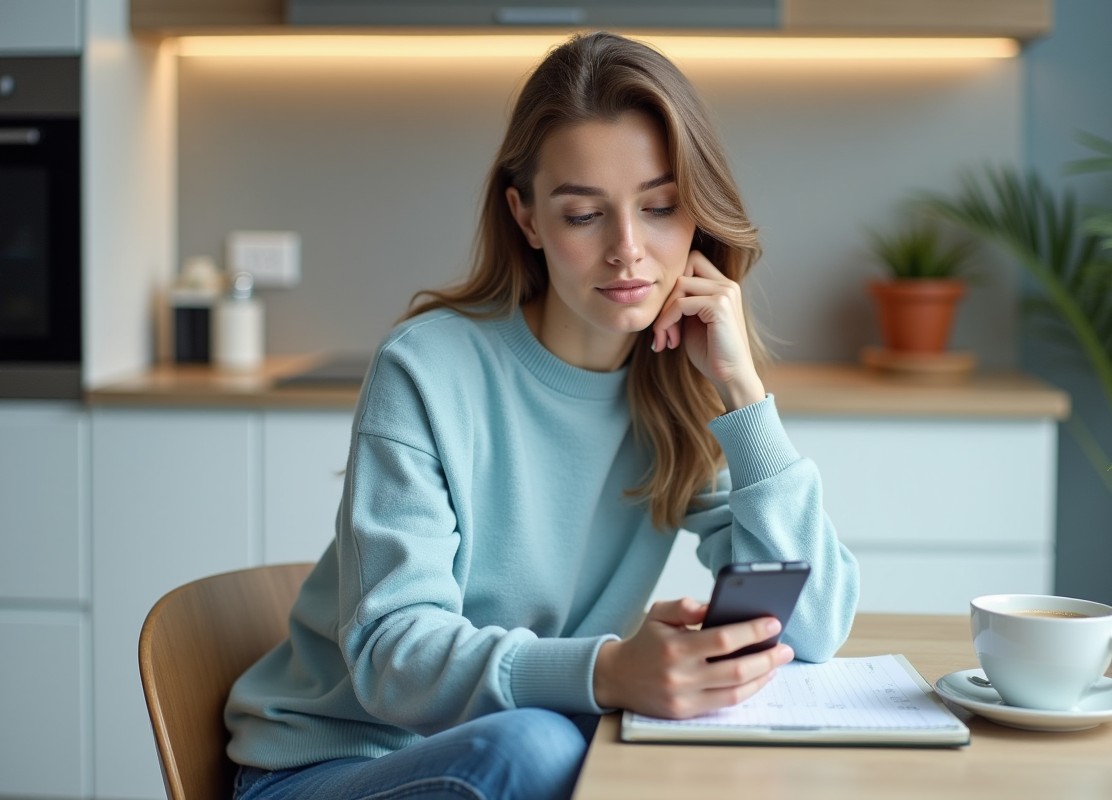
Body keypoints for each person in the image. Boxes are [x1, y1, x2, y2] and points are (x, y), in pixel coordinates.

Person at [224, 30, 859, 800]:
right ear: (527, 219)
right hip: (339, 765)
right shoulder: (426, 370)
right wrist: (607, 669)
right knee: (538, 746)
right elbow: (393, 657)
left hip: (535, 747)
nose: (629, 249)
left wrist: (744, 394)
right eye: (585, 214)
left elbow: (813, 627)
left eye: (660, 206)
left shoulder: (680, 385)